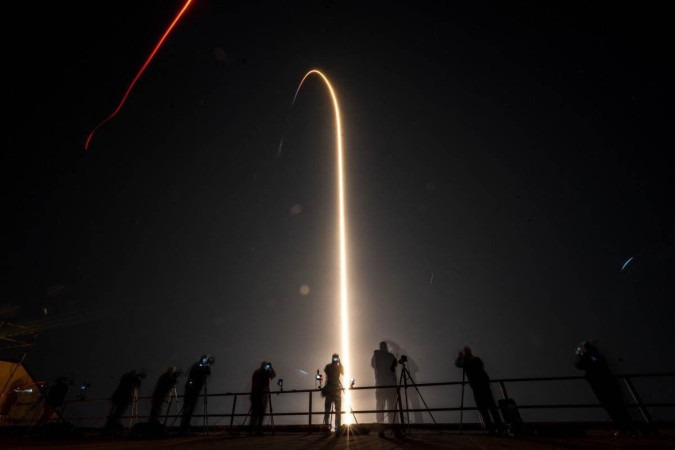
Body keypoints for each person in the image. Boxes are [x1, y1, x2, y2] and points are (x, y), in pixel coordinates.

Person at [574, 340, 635, 437]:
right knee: (616, 407)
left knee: (614, 408)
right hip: (605, 384)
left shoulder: (593, 357)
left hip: (602, 386)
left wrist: (581, 355)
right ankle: (626, 428)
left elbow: (579, 365)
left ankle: (625, 428)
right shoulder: (596, 356)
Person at [455, 346, 503, 435]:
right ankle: (499, 427)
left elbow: (458, 364)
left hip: (477, 387)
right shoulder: (476, 359)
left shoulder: (468, 361)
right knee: (492, 408)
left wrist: (460, 356)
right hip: (484, 386)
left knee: (483, 409)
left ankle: (491, 429)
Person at [102, 369, 146, 435]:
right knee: (118, 414)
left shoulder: (126, 378)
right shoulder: (133, 380)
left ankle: (109, 428)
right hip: (124, 398)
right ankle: (109, 429)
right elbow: (136, 386)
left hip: (118, 397)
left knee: (116, 414)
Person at [179, 354, 213, 433]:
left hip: (194, 390)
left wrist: (207, 365)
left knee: (189, 409)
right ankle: (184, 427)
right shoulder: (197, 366)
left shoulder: (201, 366)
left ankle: (185, 426)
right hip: (191, 390)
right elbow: (199, 372)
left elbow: (208, 372)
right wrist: (205, 366)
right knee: (188, 409)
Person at [371, 341, 398, 437]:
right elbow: (394, 367)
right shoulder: (390, 356)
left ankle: (381, 430)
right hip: (390, 385)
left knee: (380, 408)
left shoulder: (376, 355)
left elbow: (373, 365)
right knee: (392, 408)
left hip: (380, 386)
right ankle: (395, 429)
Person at [249, 360, 276, 435]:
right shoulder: (258, 372)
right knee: (255, 413)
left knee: (261, 413)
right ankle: (251, 430)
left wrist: (271, 368)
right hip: (257, 395)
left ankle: (257, 430)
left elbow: (273, 375)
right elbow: (256, 385)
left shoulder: (266, 373)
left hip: (263, 395)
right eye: (265, 366)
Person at [322, 353, 344, 434]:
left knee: (335, 410)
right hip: (332, 389)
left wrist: (340, 363)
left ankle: (336, 427)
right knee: (330, 410)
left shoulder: (335, 367)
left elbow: (343, 372)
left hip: (334, 389)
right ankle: (329, 426)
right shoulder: (329, 367)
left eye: (336, 359)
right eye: (335, 359)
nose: (335, 360)